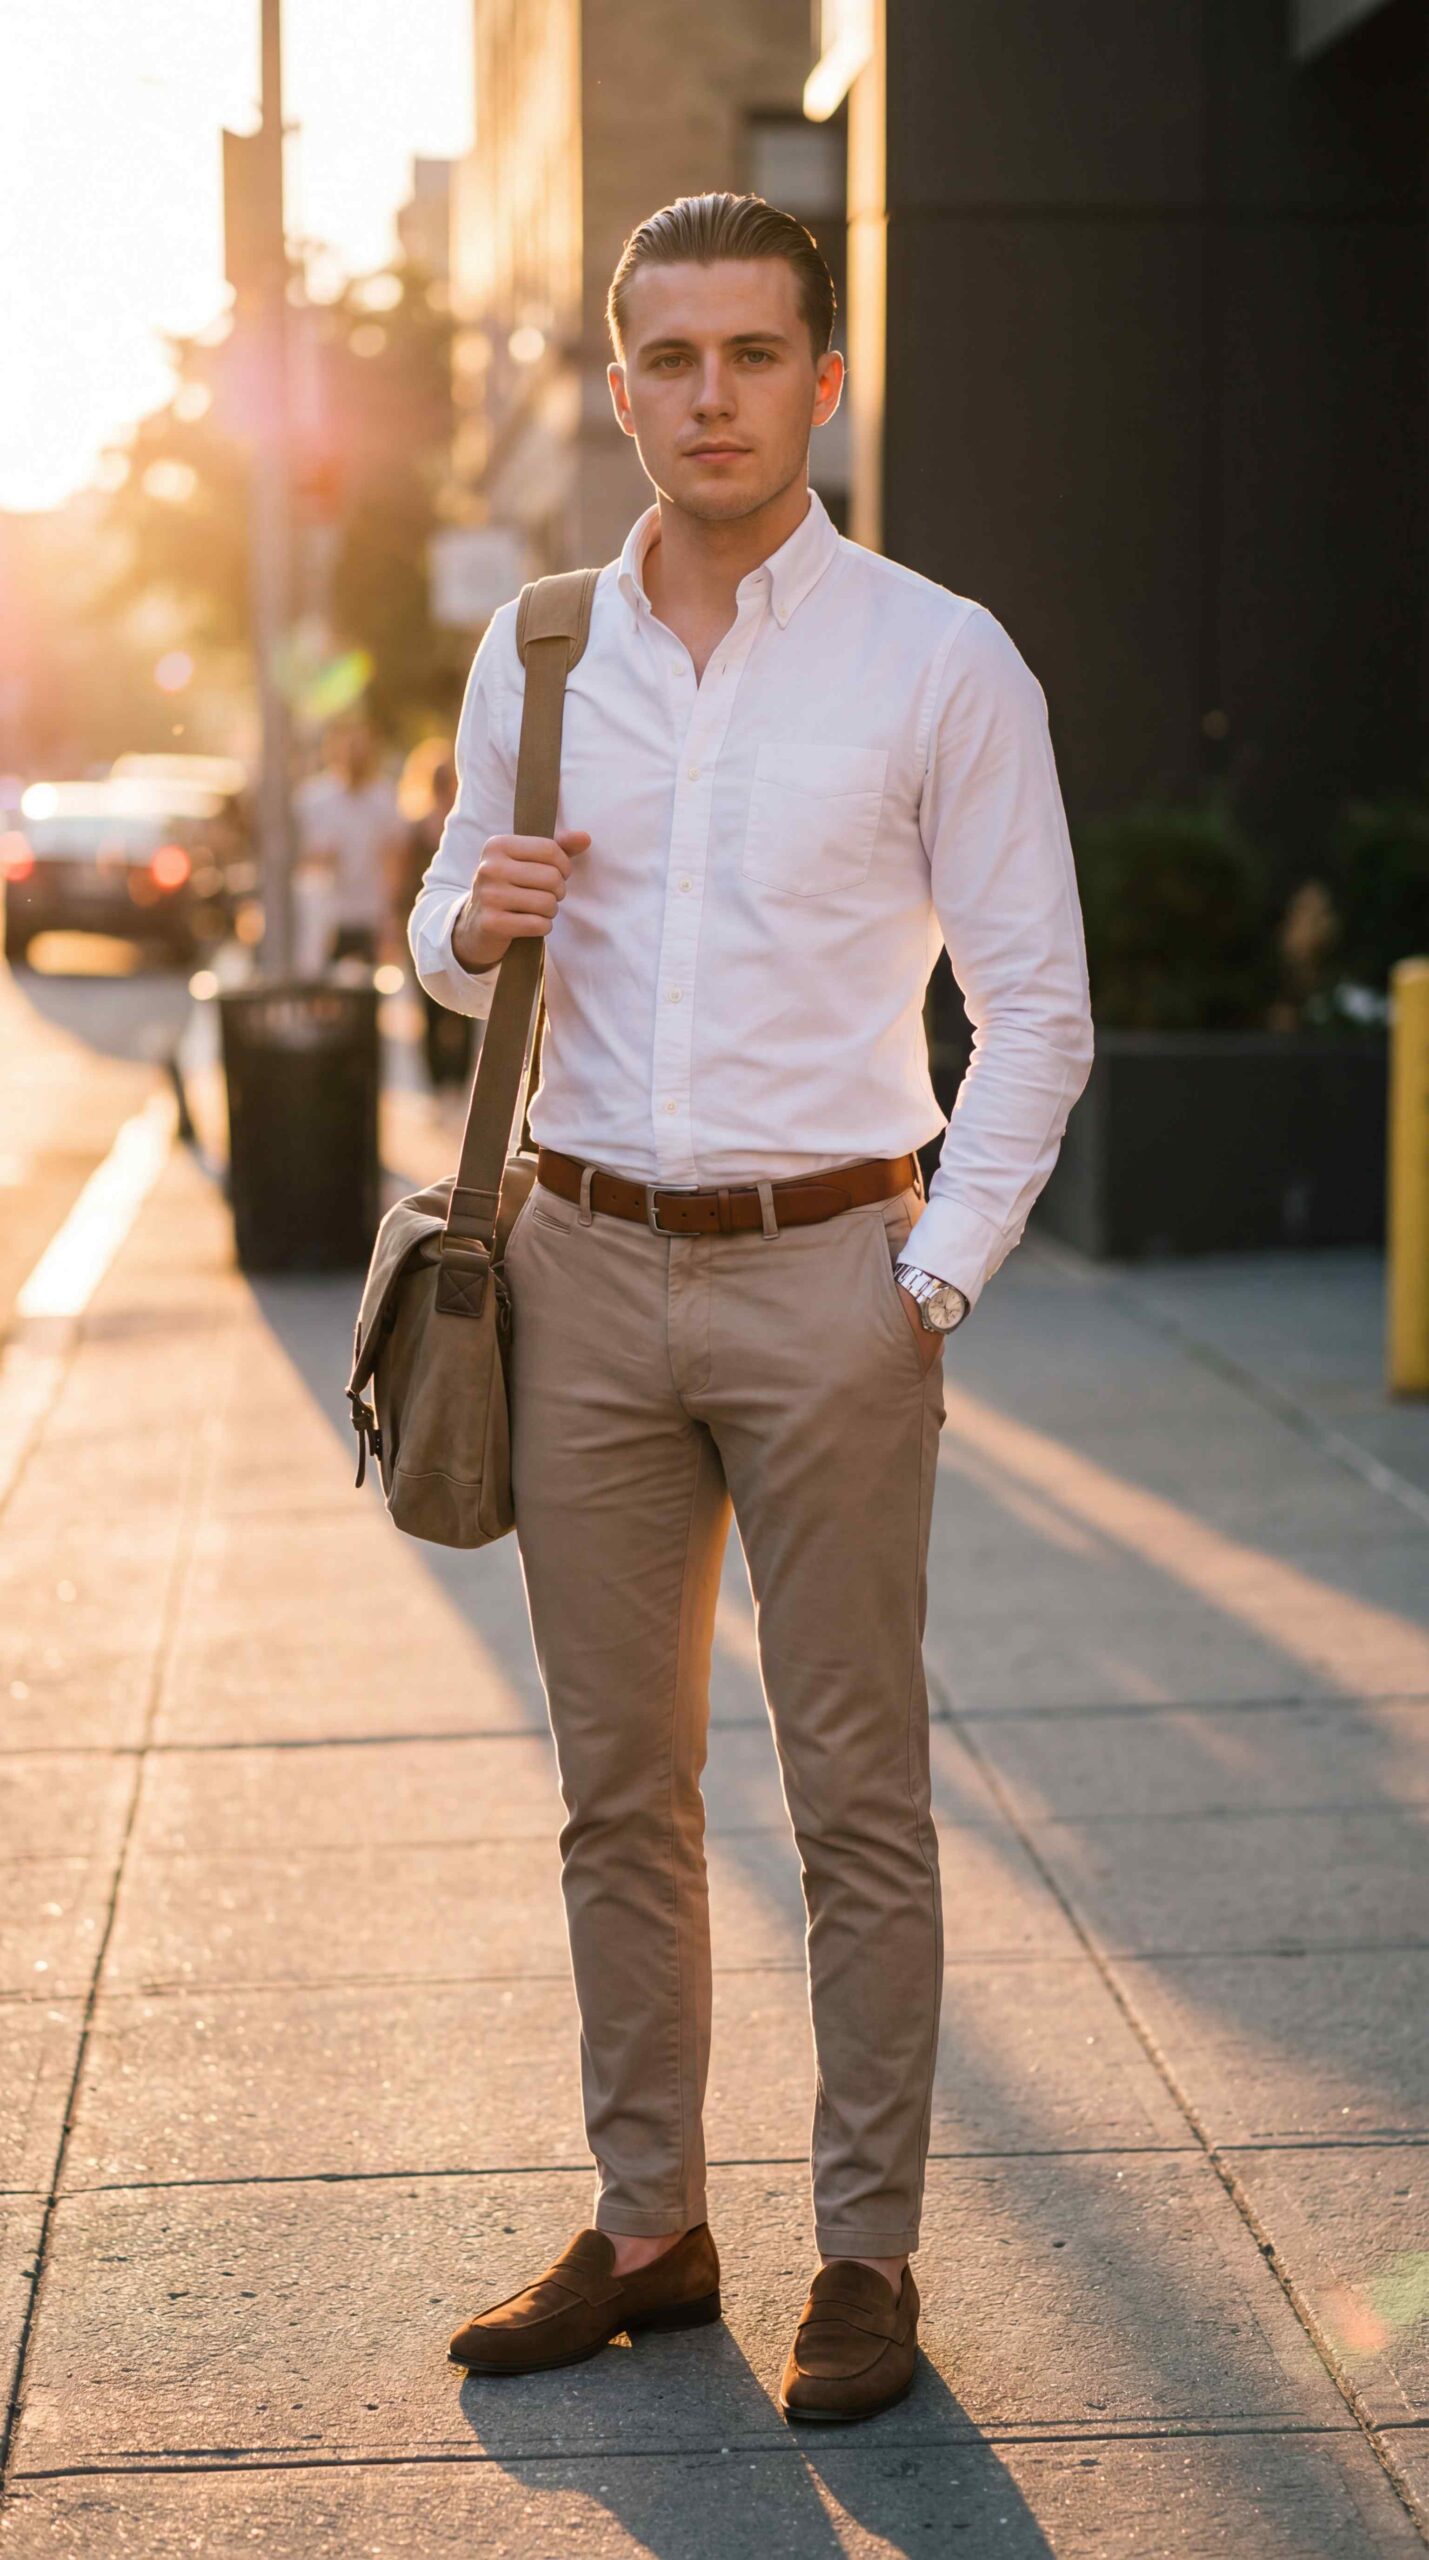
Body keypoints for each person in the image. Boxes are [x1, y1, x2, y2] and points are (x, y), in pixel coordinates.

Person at [410, 192, 1093, 2425]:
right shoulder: (534, 649)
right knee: (617, 1787)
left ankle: (865, 2253)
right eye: (667, 355)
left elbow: (1039, 1011)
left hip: (833, 1274)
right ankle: (647, 2224)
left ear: (824, 377)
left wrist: (931, 1274)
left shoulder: (938, 655)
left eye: (751, 352)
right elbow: (436, 929)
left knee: (856, 1791)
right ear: (617, 385)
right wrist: (467, 922)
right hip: (579, 1262)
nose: (708, 394)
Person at [294, 714, 403, 969]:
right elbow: (304, 863)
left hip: (370, 914)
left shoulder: (385, 799)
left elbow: (393, 860)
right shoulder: (313, 799)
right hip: (327, 917)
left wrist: (390, 919)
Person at [397, 740, 473, 1090]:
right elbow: (399, 883)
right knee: (430, 1010)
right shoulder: (415, 829)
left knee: (466, 1010)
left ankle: (456, 1081)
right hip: (424, 927)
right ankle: (439, 1082)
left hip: (464, 925)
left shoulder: (468, 827)